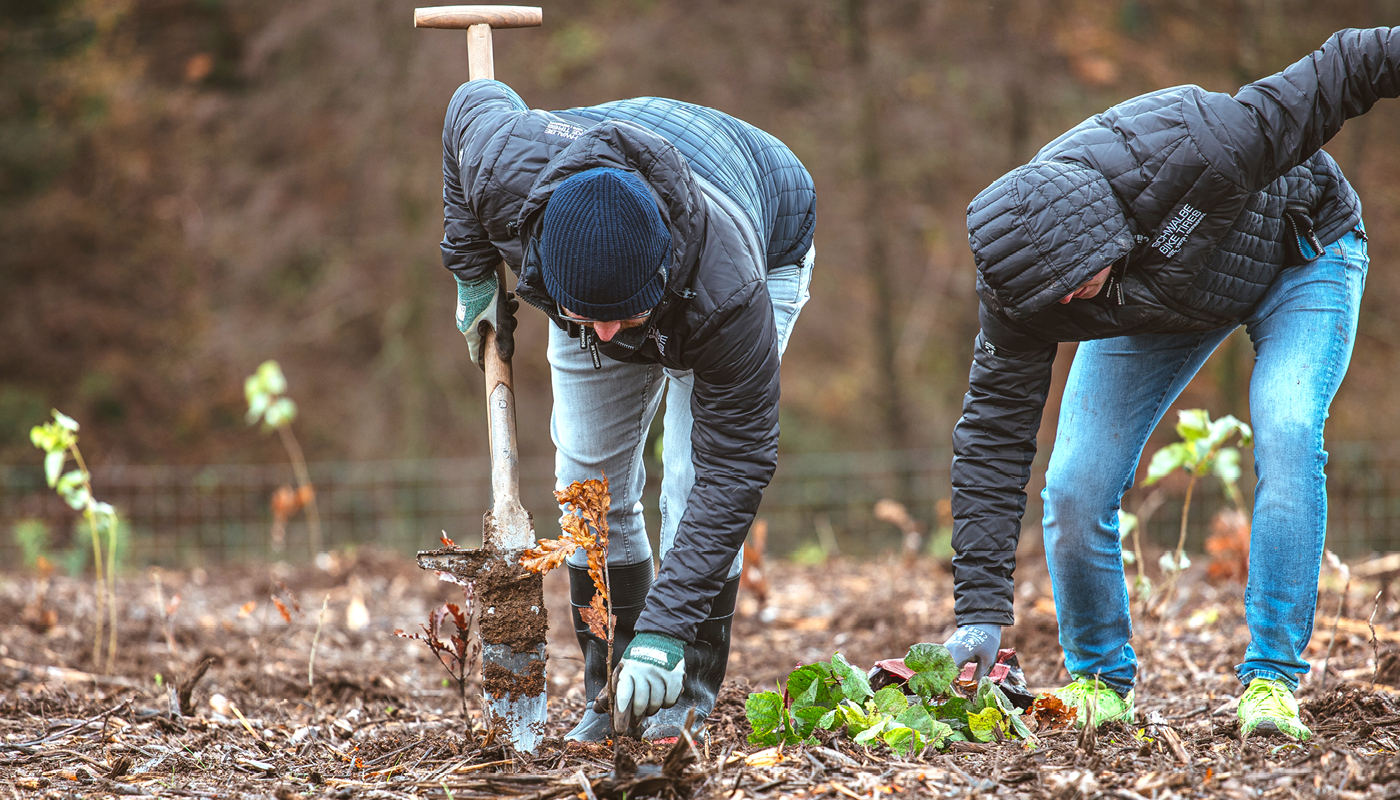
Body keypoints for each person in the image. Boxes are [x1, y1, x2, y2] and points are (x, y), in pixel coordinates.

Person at [943, 28, 1399, 740]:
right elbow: (993, 437)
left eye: (1074, 288)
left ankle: (1273, 679)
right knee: (1074, 483)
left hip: (1302, 252)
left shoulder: (1205, 146)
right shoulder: (1027, 281)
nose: (1068, 308)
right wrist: (977, 611)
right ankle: (1099, 679)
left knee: (1284, 425)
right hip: (1164, 299)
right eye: (1056, 301)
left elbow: (1348, 65)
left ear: (1105, 235)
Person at [440, 81, 816, 742]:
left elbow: (736, 467)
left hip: (759, 212)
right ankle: (611, 694)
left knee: (689, 482)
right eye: (589, 318)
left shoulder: (732, 296)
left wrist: (666, 628)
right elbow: (471, 103)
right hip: (596, 202)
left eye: (628, 317)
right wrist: (471, 265)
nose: (609, 337)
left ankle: (682, 694)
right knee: (589, 488)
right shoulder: (506, 174)